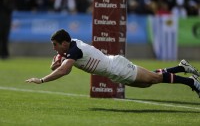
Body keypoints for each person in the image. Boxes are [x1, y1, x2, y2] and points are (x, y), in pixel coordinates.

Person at [26, 29, 200, 97]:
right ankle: (181, 67)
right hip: (114, 70)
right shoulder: (70, 47)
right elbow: (59, 66)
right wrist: (56, 62)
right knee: (150, 81)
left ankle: (193, 82)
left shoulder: (74, 50)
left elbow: (64, 71)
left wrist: (41, 80)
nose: (54, 49)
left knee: (153, 79)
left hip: (117, 67)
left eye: (55, 45)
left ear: (64, 43)